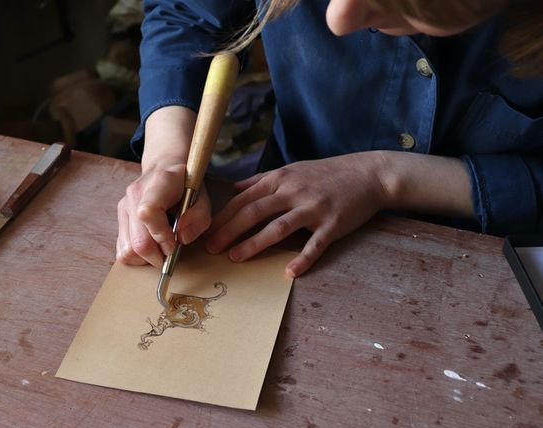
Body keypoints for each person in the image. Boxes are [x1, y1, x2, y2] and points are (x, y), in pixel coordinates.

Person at [116, 0, 543, 278]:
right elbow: (188, 15)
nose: (338, 19)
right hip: (285, 220)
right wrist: (168, 156)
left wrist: (384, 177)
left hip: (502, 261)